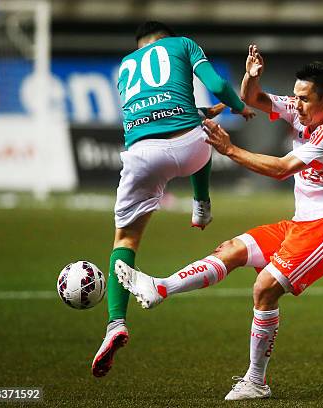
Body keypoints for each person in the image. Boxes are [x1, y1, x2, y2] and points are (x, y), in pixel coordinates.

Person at [113, 45, 323, 400]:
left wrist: (229, 150)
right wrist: (251, 76)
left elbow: (280, 170)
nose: (296, 104)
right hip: (302, 223)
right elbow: (252, 98)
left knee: (264, 287)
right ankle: (160, 288)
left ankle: (256, 382)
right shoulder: (301, 110)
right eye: (295, 97)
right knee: (232, 249)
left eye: (304, 99)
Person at [91, 21, 254, 378]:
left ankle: (115, 324)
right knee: (205, 135)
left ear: (141, 45)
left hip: (143, 154)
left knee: (126, 240)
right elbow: (217, 85)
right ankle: (202, 203)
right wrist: (239, 106)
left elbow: (147, 118)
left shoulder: (126, 67)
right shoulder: (183, 44)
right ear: (166, 39)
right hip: (192, 147)